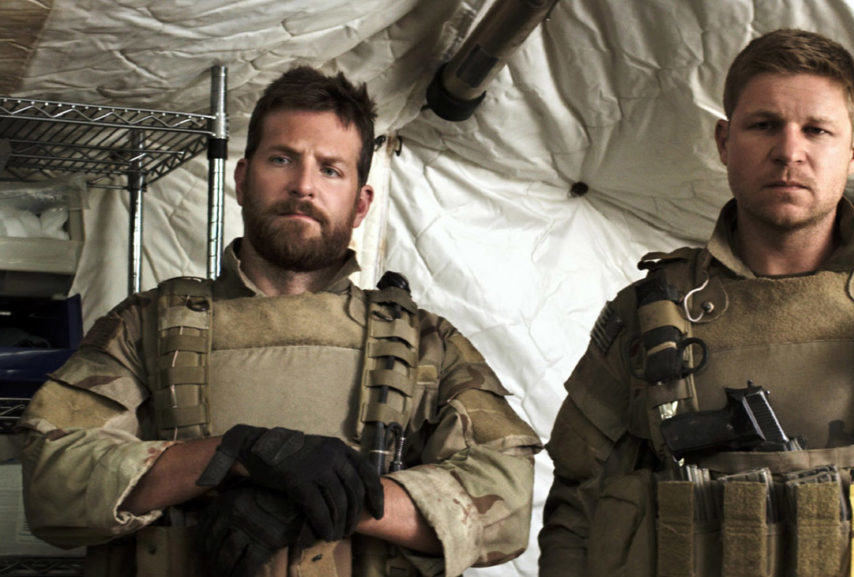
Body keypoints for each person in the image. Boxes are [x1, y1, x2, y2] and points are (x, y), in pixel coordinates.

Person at [18, 66, 541, 577]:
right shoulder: (144, 326)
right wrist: (231, 454)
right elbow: (52, 479)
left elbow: (508, 499)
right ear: (243, 179)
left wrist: (329, 501)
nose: (303, 186)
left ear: (361, 204)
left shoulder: (424, 343)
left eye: (330, 169)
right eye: (282, 159)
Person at [539, 29, 854, 577]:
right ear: (725, 141)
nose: (789, 152)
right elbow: (575, 507)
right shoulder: (650, 315)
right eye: (764, 125)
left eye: (816, 130)